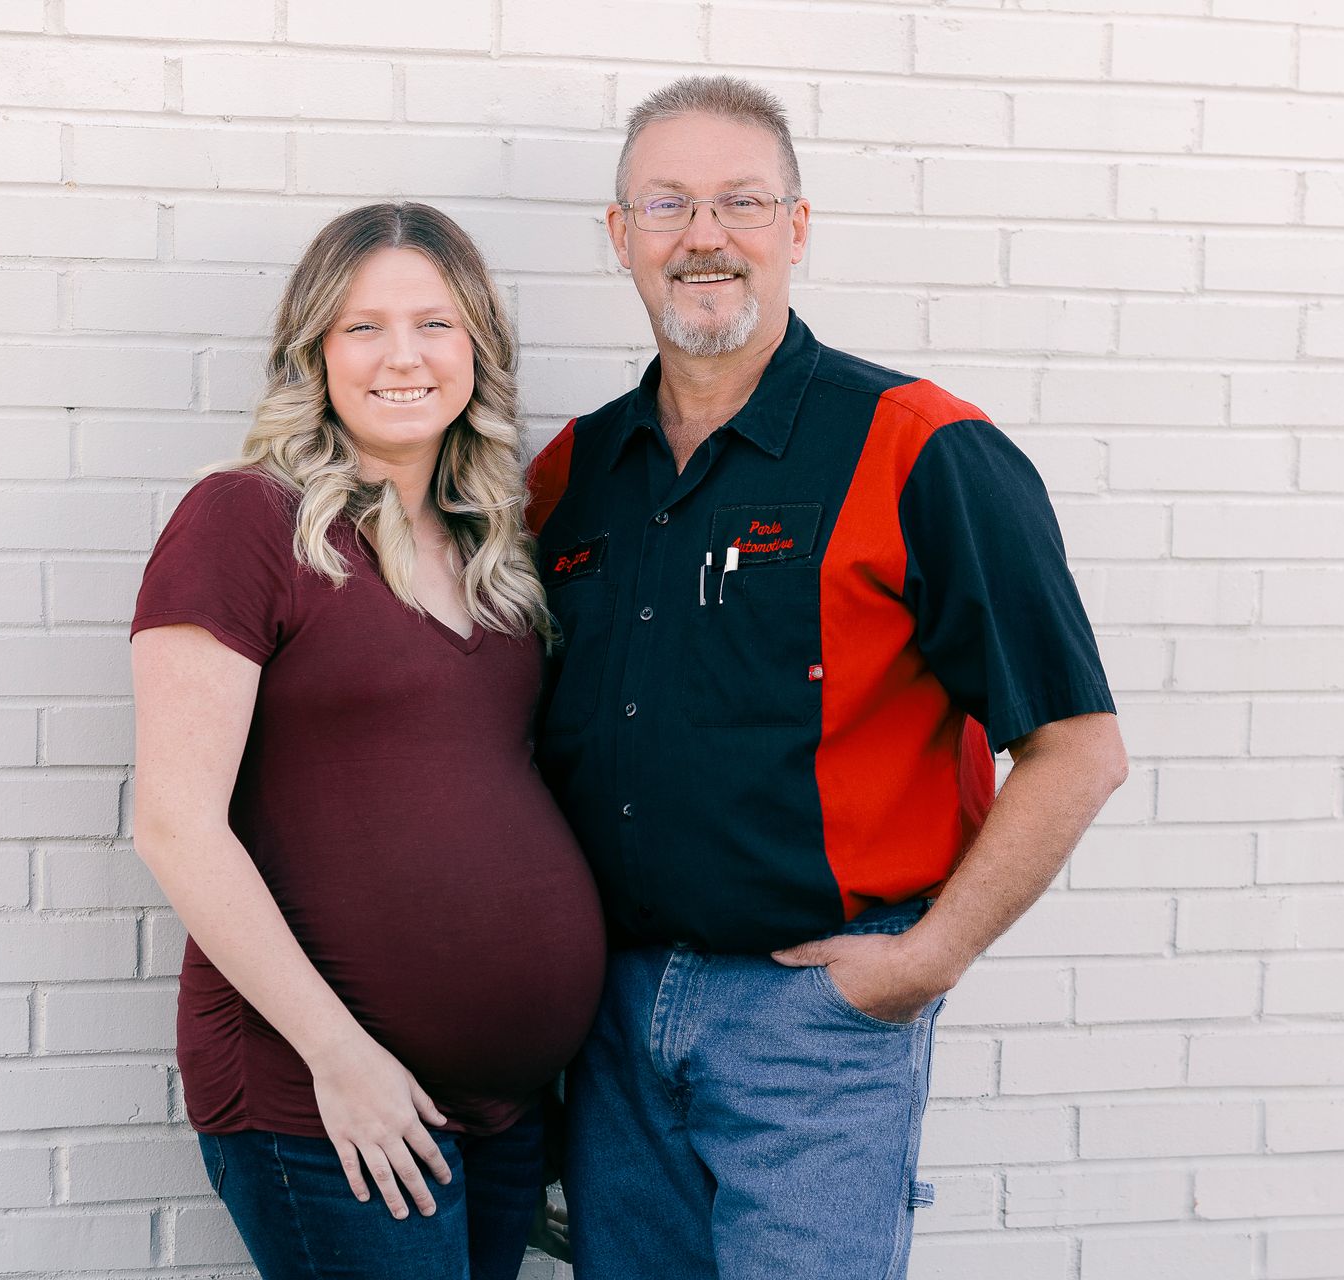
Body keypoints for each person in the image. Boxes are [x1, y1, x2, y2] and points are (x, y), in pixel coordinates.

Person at [525, 75, 1130, 1278]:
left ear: (797, 228)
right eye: (667, 204)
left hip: (812, 1024)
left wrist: (929, 957)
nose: (705, 235)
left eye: (742, 201)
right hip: (607, 1024)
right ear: (620, 236)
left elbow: (1076, 744)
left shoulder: (920, 446)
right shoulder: (571, 474)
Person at [128, 201, 605, 1280]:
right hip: (326, 1094)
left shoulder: (498, 549)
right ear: (315, 352)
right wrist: (339, 1056)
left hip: (503, 1109)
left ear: (477, 347)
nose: (403, 356)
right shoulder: (244, 519)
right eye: (363, 327)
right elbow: (175, 823)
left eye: (435, 324)